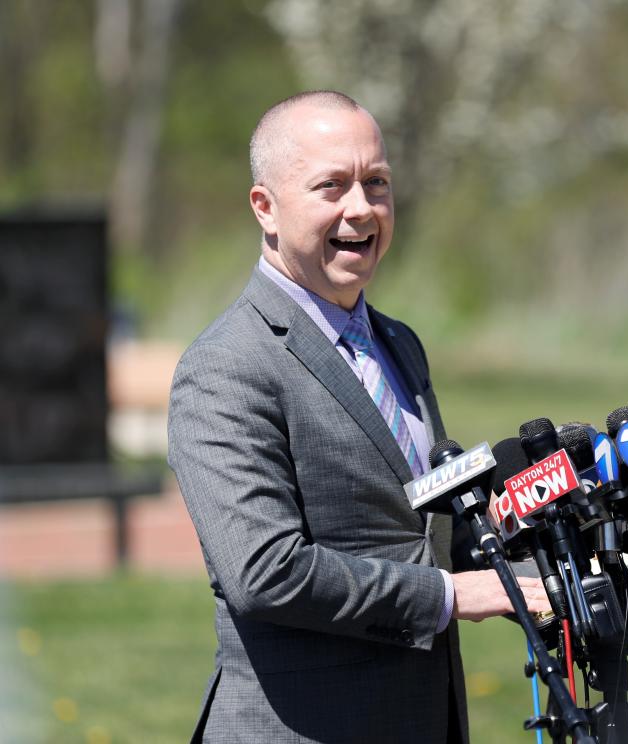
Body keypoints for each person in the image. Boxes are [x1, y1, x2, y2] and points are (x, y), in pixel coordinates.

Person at [168, 90, 548, 744]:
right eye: (331, 186)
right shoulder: (226, 367)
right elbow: (266, 573)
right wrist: (454, 596)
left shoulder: (400, 343)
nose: (361, 208)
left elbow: (419, 522)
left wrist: (553, 547)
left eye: (377, 183)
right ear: (266, 207)